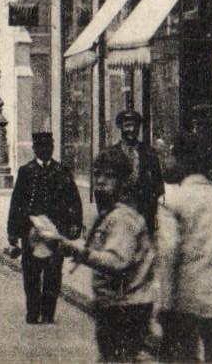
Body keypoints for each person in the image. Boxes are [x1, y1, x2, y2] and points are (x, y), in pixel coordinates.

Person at [39, 152, 154, 362]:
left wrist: (78, 252)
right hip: (115, 305)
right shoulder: (111, 213)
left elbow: (117, 261)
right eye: (97, 174)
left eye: (109, 176)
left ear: (125, 181)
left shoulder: (122, 218)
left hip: (125, 308)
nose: (100, 181)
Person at [155, 130, 212, 364]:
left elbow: (168, 253)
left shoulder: (172, 202)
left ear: (183, 161)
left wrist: (164, 303)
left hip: (187, 302)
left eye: (170, 155)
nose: (167, 161)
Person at [6, 130, 83, 325]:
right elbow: (17, 202)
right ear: (34, 149)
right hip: (31, 232)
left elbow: (74, 199)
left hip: (56, 232)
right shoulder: (25, 172)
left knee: (53, 273)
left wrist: (75, 223)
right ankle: (33, 311)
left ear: (52, 148)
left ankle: (48, 312)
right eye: (40, 147)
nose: (44, 151)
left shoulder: (62, 171)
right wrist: (13, 232)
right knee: (31, 273)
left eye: (48, 147)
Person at [101, 109, 165, 232]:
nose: (132, 130)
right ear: (120, 127)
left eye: (136, 126)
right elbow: (101, 192)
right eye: (128, 125)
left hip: (144, 219)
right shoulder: (108, 155)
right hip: (119, 219)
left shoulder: (149, 153)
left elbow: (158, 186)